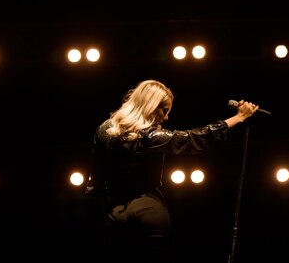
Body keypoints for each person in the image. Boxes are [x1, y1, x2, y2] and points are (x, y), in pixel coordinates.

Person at [84, 79, 260, 262]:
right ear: (150, 106)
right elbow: (193, 138)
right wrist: (238, 118)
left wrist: (104, 209)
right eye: (164, 110)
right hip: (148, 210)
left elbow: (95, 177)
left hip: (113, 213)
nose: (166, 117)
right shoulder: (150, 138)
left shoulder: (104, 130)